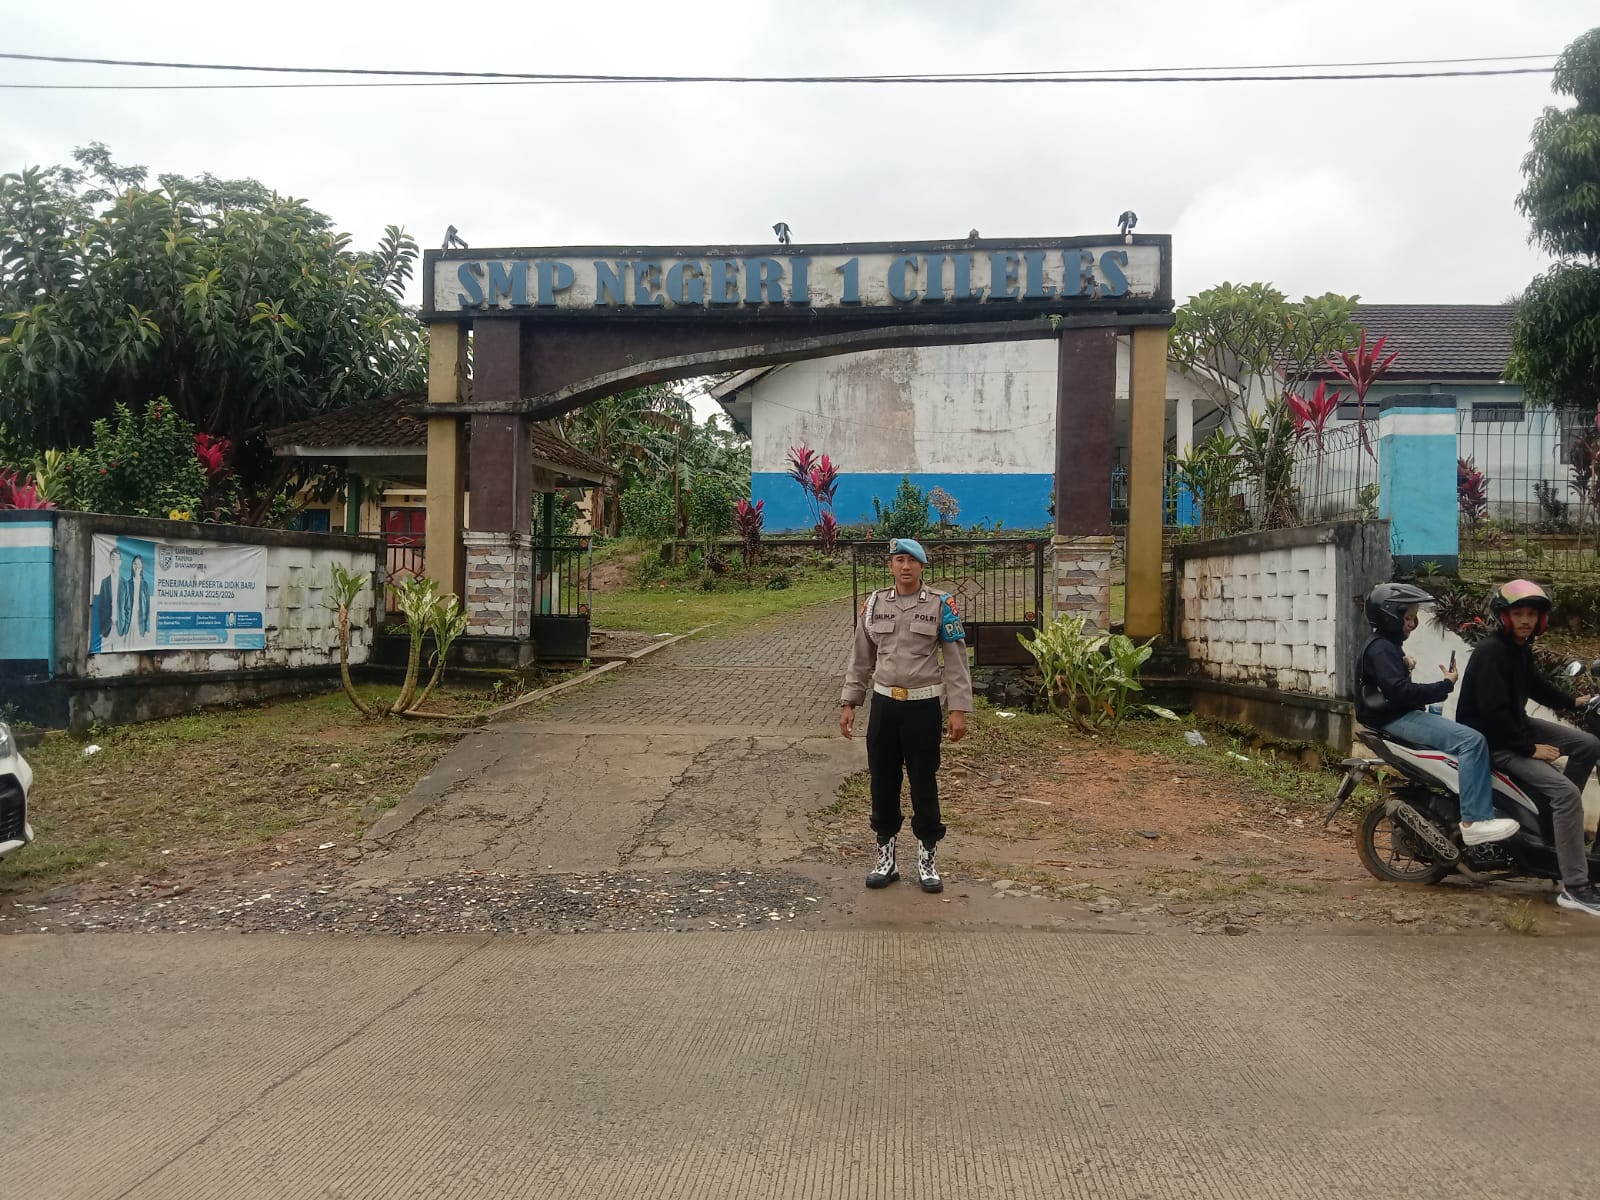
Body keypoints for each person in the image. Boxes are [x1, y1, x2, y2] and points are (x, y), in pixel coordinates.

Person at [1456, 579, 1600, 917]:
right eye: (1518, 613)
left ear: (1541, 619)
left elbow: (1534, 686)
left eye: (1532, 614)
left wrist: (1573, 702)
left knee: (1588, 744)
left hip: (1515, 725)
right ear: (1504, 617)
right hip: (1493, 740)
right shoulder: (1492, 652)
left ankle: (1551, 818)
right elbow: (1491, 714)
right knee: (1566, 793)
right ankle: (1575, 887)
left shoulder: (1518, 648)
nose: (1525, 620)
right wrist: (1529, 748)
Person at [840, 537, 973, 893]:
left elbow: (956, 661)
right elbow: (861, 658)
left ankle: (927, 860)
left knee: (923, 782)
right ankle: (886, 860)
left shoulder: (941, 605)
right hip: (885, 707)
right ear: (890, 566)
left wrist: (958, 709)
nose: (905, 566)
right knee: (882, 781)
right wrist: (850, 701)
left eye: (912, 561)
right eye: (899, 560)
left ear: (922, 566)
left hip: (923, 708)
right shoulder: (875, 604)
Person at [1355, 582, 1517, 846]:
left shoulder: (1384, 645)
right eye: (1408, 618)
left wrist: (1405, 665)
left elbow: (1391, 685)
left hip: (1394, 715)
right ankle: (1475, 820)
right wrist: (1445, 686)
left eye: (1414, 618)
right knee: (1472, 741)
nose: (1412, 624)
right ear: (1389, 617)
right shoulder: (1382, 648)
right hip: (1395, 718)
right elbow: (1400, 692)